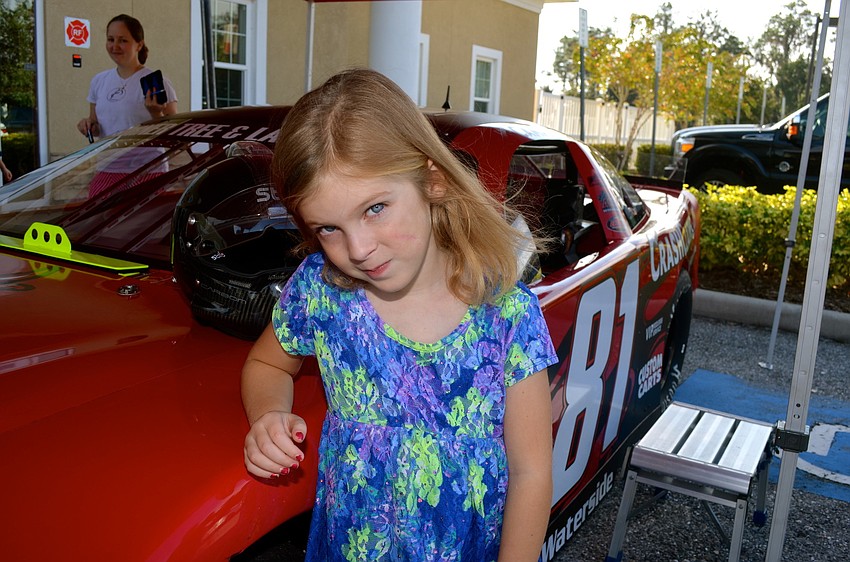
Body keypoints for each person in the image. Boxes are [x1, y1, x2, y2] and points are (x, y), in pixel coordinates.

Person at [241, 68, 557, 561]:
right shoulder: (322, 291)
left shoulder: (506, 315)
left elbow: (532, 472)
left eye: (375, 209)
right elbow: (266, 364)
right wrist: (268, 415)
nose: (358, 249)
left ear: (432, 180)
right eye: (328, 228)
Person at [76, 14, 177, 141]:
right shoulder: (98, 81)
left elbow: (174, 135)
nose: (115, 46)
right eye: (110, 39)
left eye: (123, 40)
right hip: (108, 154)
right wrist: (88, 126)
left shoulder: (157, 82)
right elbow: (97, 127)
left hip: (147, 154)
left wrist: (156, 113)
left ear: (139, 45)